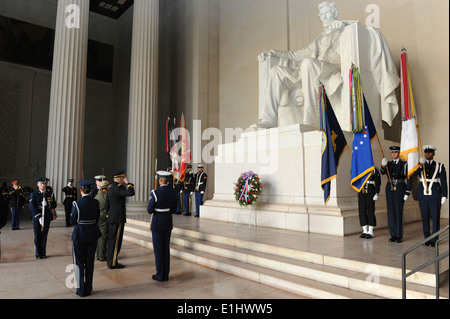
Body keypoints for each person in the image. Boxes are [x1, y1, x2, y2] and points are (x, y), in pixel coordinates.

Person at [255, 2, 399, 130]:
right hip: (311, 70)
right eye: (321, 15)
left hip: (332, 70)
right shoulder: (320, 38)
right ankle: (268, 119)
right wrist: (275, 54)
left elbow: (360, 32)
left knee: (308, 64)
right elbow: (299, 54)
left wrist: (342, 26)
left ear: (335, 13)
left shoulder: (345, 29)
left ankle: (311, 119)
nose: (323, 17)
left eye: (326, 13)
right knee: (276, 71)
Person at [70, 180, 101, 297]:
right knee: (89, 262)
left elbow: (72, 220)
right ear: (91, 190)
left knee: (78, 262)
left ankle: (81, 289)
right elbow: (97, 218)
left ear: (81, 190)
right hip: (92, 234)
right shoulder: (96, 203)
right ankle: (88, 288)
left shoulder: (77, 204)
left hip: (79, 235)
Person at [413, 145, 447, 246]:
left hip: (435, 195)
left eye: (430, 152)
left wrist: (444, 195)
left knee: (435, 217)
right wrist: (420, 165)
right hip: (423, 195)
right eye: (426, 152)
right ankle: (427, 239)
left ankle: (434, 239)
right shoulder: (420, 165)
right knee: (424, 217)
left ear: (433, 154)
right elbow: (414, 174)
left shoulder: (439, 166)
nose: (427, 154)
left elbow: (444, 182)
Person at [147, 171, 178, 282]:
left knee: (159, 249)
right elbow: (174, 210)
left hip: (158, 223)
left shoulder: (155, 193)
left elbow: (149, 210)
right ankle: (166, 273)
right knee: (166, 248)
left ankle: (160, 274)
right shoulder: (174, 193)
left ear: (160, 180)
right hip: (168, 222)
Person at [380, 146, 412, 243]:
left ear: (399, 153)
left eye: (395, 152)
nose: (393, 154)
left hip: (400, 187)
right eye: (392, 152)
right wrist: (383, 166)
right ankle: (393, 234)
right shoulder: (388, 164)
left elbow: (410, 178)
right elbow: (382, 172)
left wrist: (408, 191)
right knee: (391, 211)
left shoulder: (404, 164)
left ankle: (398, 235)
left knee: (398, 211)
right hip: (390, 188)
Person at [105, 170, 135, 269]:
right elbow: (131, 193)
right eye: (123, 177)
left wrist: (107, 215)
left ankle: (111, 261)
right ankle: (113, 263)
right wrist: (128, 183)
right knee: (116, 241)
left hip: (112, 217)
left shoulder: (111, 188)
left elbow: (107, 204)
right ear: (120, 178)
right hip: (118, 218)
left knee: (112, 240)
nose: (124, 178)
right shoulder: (118, 188)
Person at [29, 178, 57, 259]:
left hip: (46, 216)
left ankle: (43, 252)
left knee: (44, 235)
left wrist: (48, 204)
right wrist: (38, 216)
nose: (43, 185)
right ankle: (38, 252)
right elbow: (31, 206)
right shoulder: (34, 194)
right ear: (37, 184)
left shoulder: (49, 194)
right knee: (37, 235)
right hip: (37, 216)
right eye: (41, 184)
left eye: (44, 184)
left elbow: (54, 205)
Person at [358, 167, 381, 239]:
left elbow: (378, 182)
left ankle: (370, 231)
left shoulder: (374, 169)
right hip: (362, 190)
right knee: (362, 210)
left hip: (371, 190)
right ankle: (364, 231)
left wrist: (377, 193)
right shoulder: (360, 168)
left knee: (371, 210)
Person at [95, 180, 110, 261]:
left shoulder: (97, 195)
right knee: (103, 236)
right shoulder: (106, 196)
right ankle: (101, 255)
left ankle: (98, 254)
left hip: (97, 217)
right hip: (104, 217)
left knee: (99, 236)